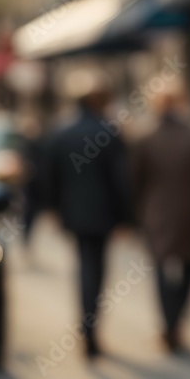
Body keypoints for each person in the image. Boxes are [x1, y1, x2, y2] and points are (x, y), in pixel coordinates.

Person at [42, 86, 130, 358]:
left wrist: (53, 209)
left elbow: (49, 176)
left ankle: (86, 325)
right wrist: (126, 218)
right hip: (103, 214)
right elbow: (121, 179)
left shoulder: (62, 132)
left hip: (74, 214)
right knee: (96, 269)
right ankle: (90, 327)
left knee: (84, 267)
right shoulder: (109, 132)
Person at [131, 85, 190, 351]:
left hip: (157, 214)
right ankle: (176, 321)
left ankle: (168, 325)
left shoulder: (145, 137)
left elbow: (135, 180)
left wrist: (136, 214)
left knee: (160, 269)